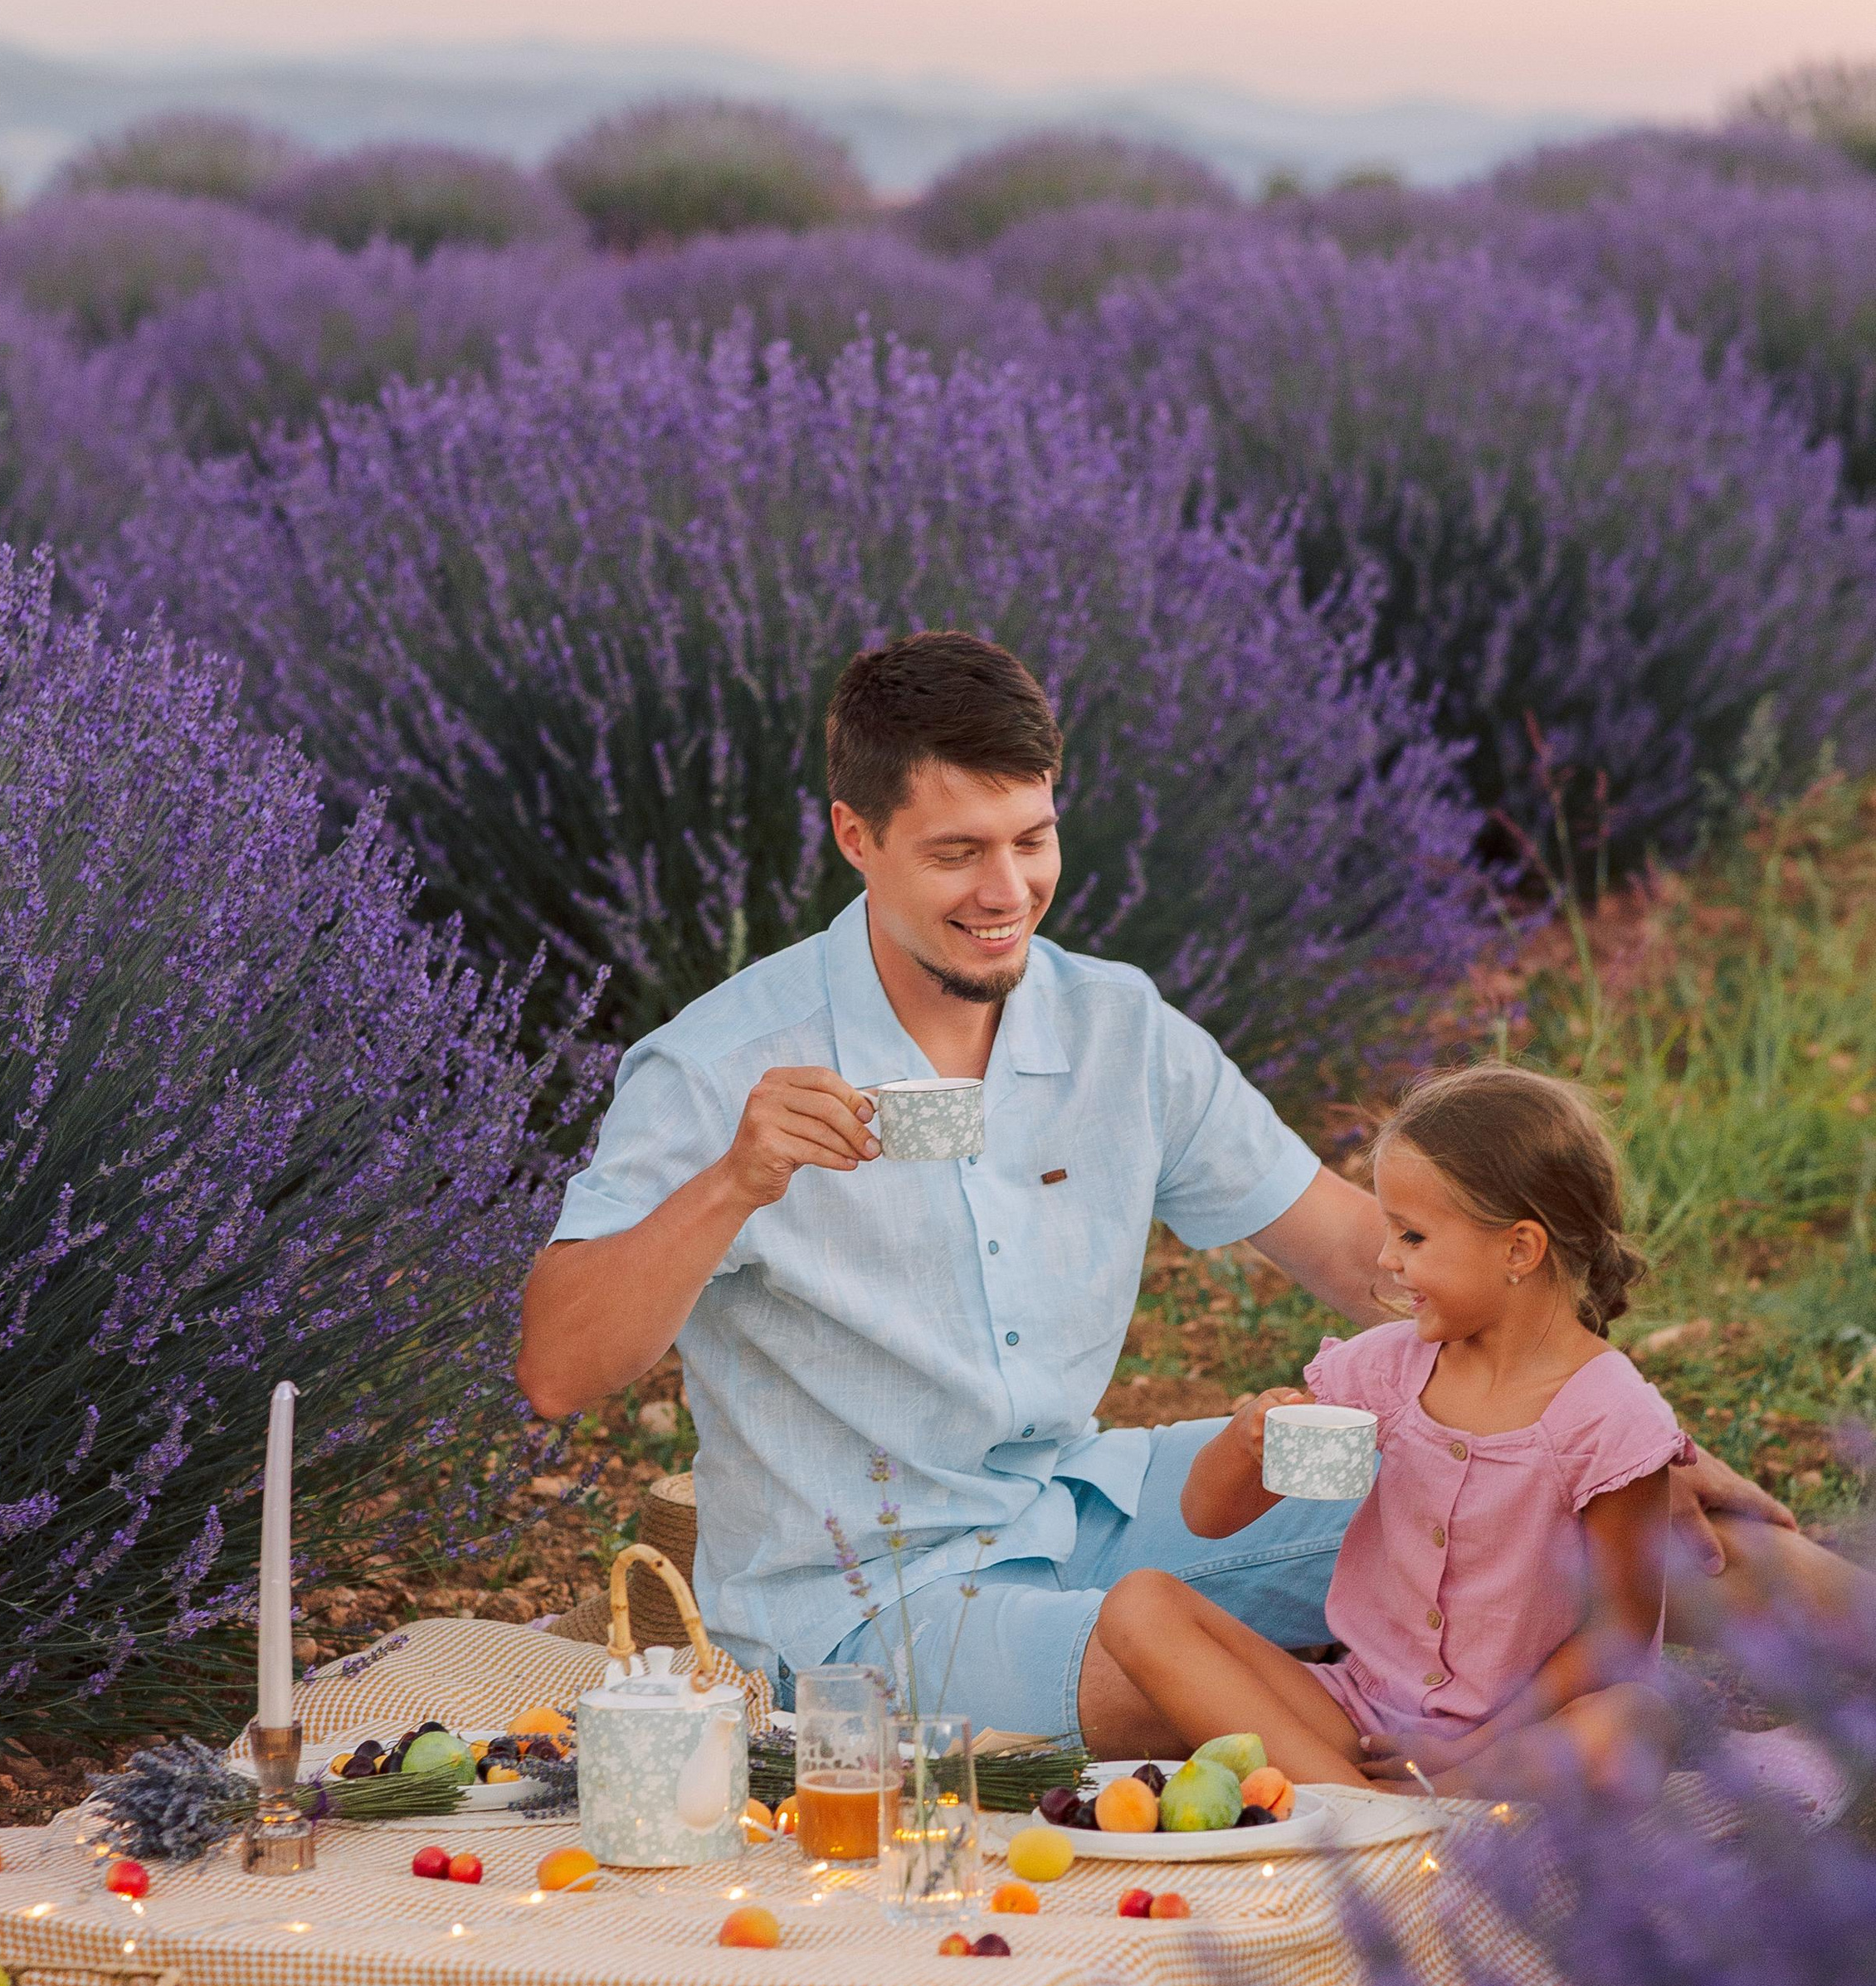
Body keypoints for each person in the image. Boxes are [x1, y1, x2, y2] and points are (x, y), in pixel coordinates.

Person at [518, 630, 1798, 1750]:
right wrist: (735, 1182)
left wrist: (1626, 1441)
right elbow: (560, 1370)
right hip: (866, 1602)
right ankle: (1445, 1750)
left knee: (1601, 1514)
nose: (1007, 893)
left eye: (1032, 841)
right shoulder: (719, 1066)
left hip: (1097, 1499)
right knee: (1174, 1679)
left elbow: (1363, 1255)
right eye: (957, 853)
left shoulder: (1116, 1027)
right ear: (856, 837)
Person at [1098, 1067, 1684, 1798]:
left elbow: (1621, 1632)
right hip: (1360, 1717)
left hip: (1519, 1737)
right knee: (1140, 1605)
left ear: (1519, 1250)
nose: (1386, 1259)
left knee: (1634, 1720)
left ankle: (1371, 1802)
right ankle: (1372, 1809)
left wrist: (1477, 1749)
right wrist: (1246, 1442)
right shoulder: (1386, 1372)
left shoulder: (1612, 1419)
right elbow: (1208, 1518)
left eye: (1412, 1235)